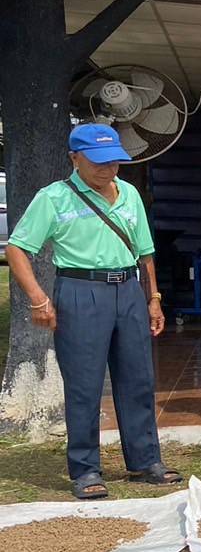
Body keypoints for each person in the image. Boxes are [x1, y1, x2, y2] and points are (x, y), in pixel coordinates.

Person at [5, 124, 181, 499]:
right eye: (99, 162)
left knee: (138, 379)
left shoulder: (129, 194)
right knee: (84, 385)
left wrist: (153, 298)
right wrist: (37, 297)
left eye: (114, 161)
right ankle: (85, 469)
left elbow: (145, 252)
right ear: (75, 158)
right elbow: (17, 248)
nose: (108, 169)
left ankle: (145, 461)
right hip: (80, 291)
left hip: (129, 290)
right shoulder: (54, 198)